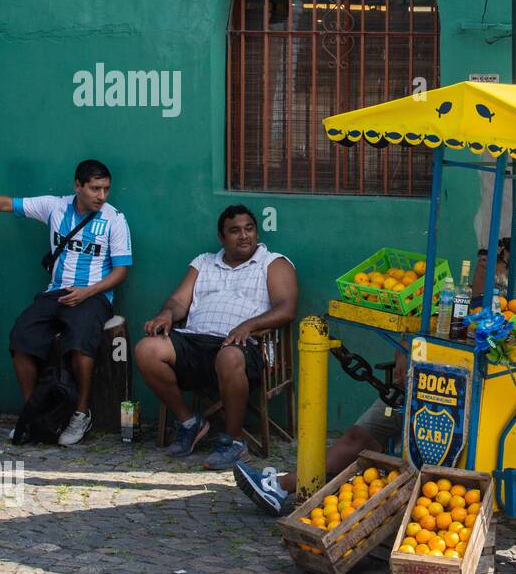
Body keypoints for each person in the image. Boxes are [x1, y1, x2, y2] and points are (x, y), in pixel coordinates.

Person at [0, 160, 132, 445]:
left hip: (93, 296)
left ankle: (81, 414)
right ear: (78, 186)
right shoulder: (55, 207)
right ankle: (32, 413)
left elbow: (121, 271)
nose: (102, 196)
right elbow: (5, 204)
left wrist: (87, 292)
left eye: (106, 189)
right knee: (21, 337)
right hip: (56, 292)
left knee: (81, 343)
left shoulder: (114, 219)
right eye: (95, 188)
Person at [134, 205, 297, 470]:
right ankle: (189, 422)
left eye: (249, 229)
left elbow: (286, 308)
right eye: (235, 231)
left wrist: (249, 325)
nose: (243, 236)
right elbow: (178, 301)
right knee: (147, 349)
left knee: (230, 355)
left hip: (244, 346)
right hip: (195, 341)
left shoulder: (273, 262)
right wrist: (166, 314)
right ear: (222, 237)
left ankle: (233, 441)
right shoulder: (203, 263)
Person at [233, 350, 406, 516]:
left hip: (425, 396)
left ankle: (282, 486)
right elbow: (405, 340)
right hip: (403, 391)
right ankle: (280, 487)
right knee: (357, 437)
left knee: (367, 443)